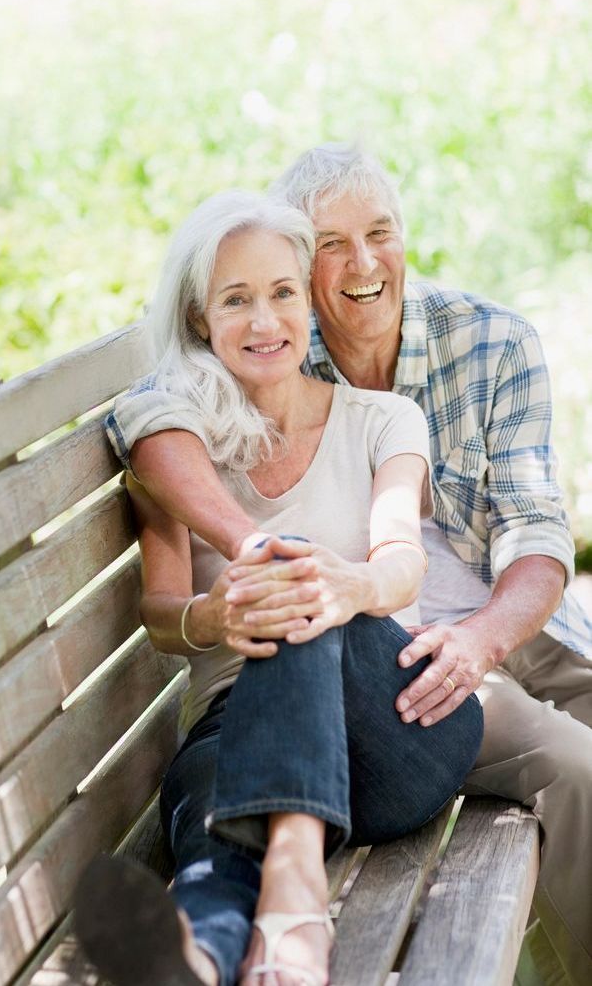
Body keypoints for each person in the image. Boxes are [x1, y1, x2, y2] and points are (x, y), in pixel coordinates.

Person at [103, 145, 592, 986]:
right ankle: (203, 953)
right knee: (218, 824)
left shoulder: (427, 383)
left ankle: (308, 899)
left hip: (445, 656)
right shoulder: (210, 401)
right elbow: (140, 424)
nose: (360, 265)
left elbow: (500, 537)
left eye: (380, 235)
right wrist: (227, 603)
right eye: (332, 245)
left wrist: (359, 591)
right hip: (262, 711)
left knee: (307, 598)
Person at [74, 191, 484, 986]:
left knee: (295, 570)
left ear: (308, 300)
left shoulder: (384, 419)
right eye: (236, 300)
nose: (265, 321)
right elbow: (162, 616)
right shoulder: (175, 441)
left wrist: (345, 582)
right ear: (200, 320)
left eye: (282, 293)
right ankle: (195, 956)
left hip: (389, 726)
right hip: (232, 736)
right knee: (216, 849)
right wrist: (209, 612)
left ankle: (296, 882)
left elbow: (403, 560)